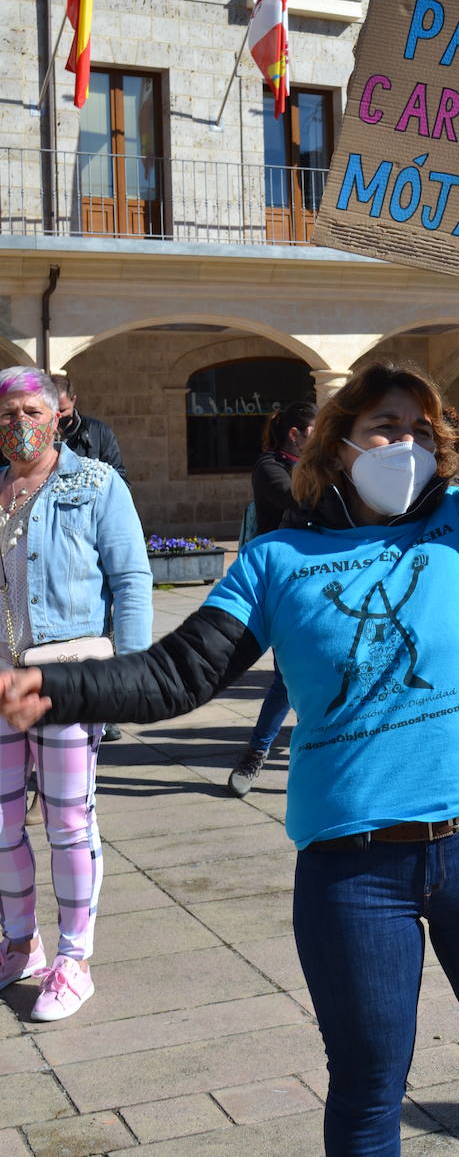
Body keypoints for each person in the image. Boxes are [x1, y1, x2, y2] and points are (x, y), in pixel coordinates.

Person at [0, 251, 459, 1157]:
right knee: (365, 1092)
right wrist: (56, 685)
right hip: (351, 874)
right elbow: (178, 674)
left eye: (417, 430)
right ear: (340, 440)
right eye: (383, 425)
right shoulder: (274, 560)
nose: (401, 443)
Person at [0, 366, 151, 1020]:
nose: (18, 425)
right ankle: (19, 943)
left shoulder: (95, 482)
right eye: (6, 415)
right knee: (3, 825)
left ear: (58, 413)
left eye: (30, 411)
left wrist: (133, 676)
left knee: (68, 820)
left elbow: (132, 576)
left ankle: (74, 959)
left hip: (70, 674)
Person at [228, 401, 317, 798]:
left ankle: (325, 754)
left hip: (319, 581)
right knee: (286, 677)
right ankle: (256, 753)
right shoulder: (270, 467)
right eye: (317, 429)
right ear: (295, 434)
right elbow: (301, 499)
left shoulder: (319, 466)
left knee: (308, 673)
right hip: (281, 583)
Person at [51, 374, 130, 743]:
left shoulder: (96, 433)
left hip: (90, 542)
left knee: (101, 631)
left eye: (63, 411)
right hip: (54, 545)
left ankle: (105, 708)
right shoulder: (40, 435)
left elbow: (120, 478)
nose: (59, 419)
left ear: (74, 401)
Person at [50, 375, 129, 483]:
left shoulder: (99, 433)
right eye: (53, 411)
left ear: (73, 400)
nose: (58, 416)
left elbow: (119, 480)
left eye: (62, 410)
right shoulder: (38, 436)